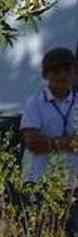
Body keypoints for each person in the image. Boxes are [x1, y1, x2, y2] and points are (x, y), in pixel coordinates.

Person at [19, 46, 78, 187]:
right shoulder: (34, 103)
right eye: (56, 70)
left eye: (67, 69)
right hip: (37, 179)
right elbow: (34, 144)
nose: (63, 75)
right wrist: (71, 143)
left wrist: (49, 142)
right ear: (46, 75)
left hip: (71, 183)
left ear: (75, 72)